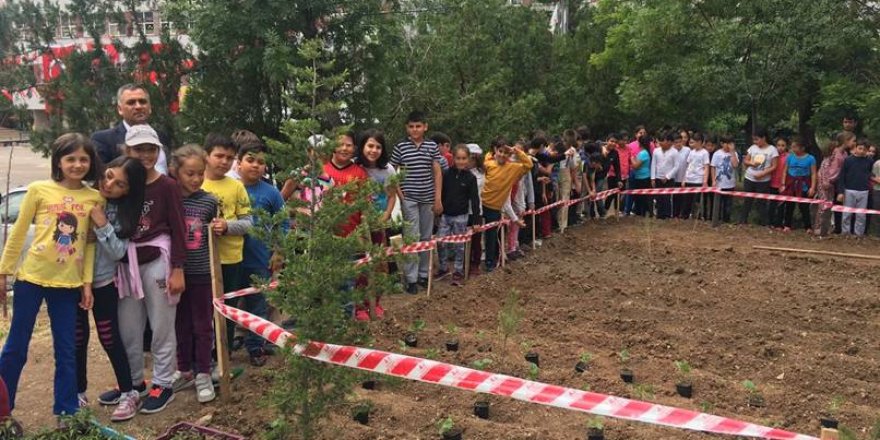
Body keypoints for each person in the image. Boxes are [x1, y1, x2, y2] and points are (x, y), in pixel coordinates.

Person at [0, 133, 102, 423]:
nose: (78, 164)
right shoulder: (38, 190)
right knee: (15, 348)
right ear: (58, 161)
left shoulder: (94, 198)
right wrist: (3, 272)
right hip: (30, 280)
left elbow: (90, 244)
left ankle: (67, 411)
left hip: (68, 286)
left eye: (84, 159)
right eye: (71, 158)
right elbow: (19, 232)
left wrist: (86, 284)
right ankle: (2, 411)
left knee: (67, 350)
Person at [103, 125, 187, 414]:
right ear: (127, 151)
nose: (146, 154)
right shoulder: (121, 184)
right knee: (128, 327)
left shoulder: (166, 185)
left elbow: (178, 227)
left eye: (151, 148)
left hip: (157, 261)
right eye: (139, 149)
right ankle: (133, 382)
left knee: (162, 324)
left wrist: (178, 268)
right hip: (126, 265)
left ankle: (163, 383)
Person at [75, 156, 146, 421]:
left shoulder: (122, 211)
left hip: (103, 282)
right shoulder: (83, 196)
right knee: (77, 338)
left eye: (119, 184)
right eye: (109, 176)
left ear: (129, 191)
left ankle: (129, 392)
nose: (110, 185)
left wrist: (102, 224)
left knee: (109, 337)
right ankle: (78, 394)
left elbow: (118, 251)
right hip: (71, 281)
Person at [169, 145, 218, 404]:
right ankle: (184, 368)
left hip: (201, 273)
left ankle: (203, 372)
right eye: (190, 173)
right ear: (175, 172)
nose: (196, 179)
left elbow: (214, 232)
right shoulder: (170, 198)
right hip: (175, 273)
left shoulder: (209, 201)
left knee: (202, 324)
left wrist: (222, 226)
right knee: (180, 324)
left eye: (200, 173)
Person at [200, 133, 253, 355]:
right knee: (201, 310)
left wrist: (227, 226)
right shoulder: (194, 182)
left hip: (231, 258)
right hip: (199, 260)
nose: (224, 161)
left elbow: (249, 222)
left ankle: (224, 354)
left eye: (229, 157)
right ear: (206, 155)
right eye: (219, 156)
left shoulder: (237, 187)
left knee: (227, 309)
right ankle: (201, 356)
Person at [236, 142, 286, 362]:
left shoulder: (271, 193)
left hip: (260, 258)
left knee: (259, 304)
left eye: (261, 162)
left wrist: (278, 251)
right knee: (231, 304)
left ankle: (256, 347)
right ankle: (227, 345)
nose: (255, 165)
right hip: (231, 259)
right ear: (238, 163)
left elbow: (283, 224)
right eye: (250, 160)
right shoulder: (229, 188)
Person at [389, 111, 445, 294]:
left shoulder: (431, 146)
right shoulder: (401, 147)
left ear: (425, 126)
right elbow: (392, 171)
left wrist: (438, 198)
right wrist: (401, 196)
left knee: (426, 237)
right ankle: (411, 278)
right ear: (407, 127)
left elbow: (437, 172)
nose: (415, 129)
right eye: (411, 126)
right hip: (410, 199)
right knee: (411, 237)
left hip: (428, 198)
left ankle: (423, 274)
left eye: (418, 126)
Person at [91, 84, 170, 174]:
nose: (138, 107)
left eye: (142, 102)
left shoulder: (161, 136)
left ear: (150, 107)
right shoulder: (103, 139)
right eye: (131, 102)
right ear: (120, 109)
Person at [481, 138, 533, 272]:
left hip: (496, 207)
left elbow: (528, 164)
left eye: (506, 153)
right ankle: (481, 260)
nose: (502, 155)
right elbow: (484, 161)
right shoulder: (488, 164)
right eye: (500, 151)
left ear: (509, 155)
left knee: (492, 236)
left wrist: (516, 151)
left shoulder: (513, 168)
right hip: (481, 204)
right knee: (481, 235)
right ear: (495, 151)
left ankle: (490, 262)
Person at [436, 145, 480, 286]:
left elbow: (475, 199)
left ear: (468, 159)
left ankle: (458, 272)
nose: (461, 161)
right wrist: (438, 208)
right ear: (453, 158)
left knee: (459, 246)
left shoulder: (471, 178)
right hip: (445, 215)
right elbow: (440, 193)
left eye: (464, 158)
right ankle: (443, 267)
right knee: (440, 242)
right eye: (458, 158)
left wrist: (476, 219)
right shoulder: (446, 174)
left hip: (461, 216)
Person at [815, 132, 854, 235]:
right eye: (852, 141)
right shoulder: (835, 152)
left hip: (833, 183)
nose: (854, 143)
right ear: (846, 141)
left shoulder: (845, 154)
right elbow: (826, 166)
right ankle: (818, 228)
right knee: (823, 205)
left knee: (829, 205)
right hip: (825, 181)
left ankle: (825, 229)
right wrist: (825, 180)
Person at [739, 127, 778, 226]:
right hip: (749, 178)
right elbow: (746, 161)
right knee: (747, 200)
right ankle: (743, 221)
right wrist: (752, 163)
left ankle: (764, 223)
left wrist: (763, 173)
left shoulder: (772, 150)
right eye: (754, 139)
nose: (755, 142)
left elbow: (774, 166)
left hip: (763, 181)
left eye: (757, 139)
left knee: (762, 202)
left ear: (764, 138)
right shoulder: (752, 148)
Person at [779, 138, 816, 232]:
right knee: (789, 205)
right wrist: (783, 184)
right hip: (791, 184)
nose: (793, 149)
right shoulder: (790, 157)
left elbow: (813, 173)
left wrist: (812, 187)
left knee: (804, 207)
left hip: (803, 185)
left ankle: (808, 227)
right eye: (792, 147)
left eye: (795, 147)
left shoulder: (810, 158)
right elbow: (785, 171)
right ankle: (787, 225)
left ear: (802, 148)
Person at [837, 142, 874, 236]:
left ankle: (859, 234)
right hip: (849, 189)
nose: (862, 151)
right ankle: (845, 233)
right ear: (856, 148)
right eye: (860, 148)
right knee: (847, 213)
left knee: (861, 214)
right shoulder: (848, 160)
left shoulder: (869, 161)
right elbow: (842, 176)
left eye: (864, 149)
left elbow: (869, 173)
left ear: (867, 151)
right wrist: (841, 192)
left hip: (863, 190)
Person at [711, 135, 740, 223]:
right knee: (718, 203)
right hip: (719, 183)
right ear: (722, 144)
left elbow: (735, 165)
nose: (728, 145)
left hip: (730, 183)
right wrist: (713, 180)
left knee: (728, 204)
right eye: (726, 143)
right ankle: (717, 219)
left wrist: (732, 152)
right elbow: (713, 167)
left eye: (730, 143)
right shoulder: (717, 153)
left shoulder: (734, 153)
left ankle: (726, 219)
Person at [680, 132, 710, 219]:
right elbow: (688, 166)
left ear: (700, 142)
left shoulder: (704, 153)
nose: (692, 144)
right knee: (687, 199)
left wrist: (705, 181)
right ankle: (684, 216)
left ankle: (696, 216)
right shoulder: (691, 152)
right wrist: (684, 179)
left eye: (694, 142)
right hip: (689, 179)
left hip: (698, 180)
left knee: (696, 200)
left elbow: (706, 167)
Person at [467, 143, 486, 275]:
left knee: (476, 240)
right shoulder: (462, 173)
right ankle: (465, 263)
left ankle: (475, 264)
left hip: (475, 211)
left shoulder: (479, 175)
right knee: (464, 240)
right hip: (463, 210)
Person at [651, 132, 678, 220]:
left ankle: (667, 215)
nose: (661, 143)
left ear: (669, 142)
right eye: (661, 141)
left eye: (664, 141)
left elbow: (676, 166)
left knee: (667, 197)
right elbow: (653, 165)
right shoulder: (656, 151)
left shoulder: (674, 152)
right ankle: (659, 214)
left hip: (669, 179)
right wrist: (653, 178)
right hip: (658, 178)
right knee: (658, 197)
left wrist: (668, 176)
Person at [769, 137, 789, 228]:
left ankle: (779, 224)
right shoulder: (772, 155)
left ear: (786, 146)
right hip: (772, 182)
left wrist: (784, 183)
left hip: (783, 184)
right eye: (778, 145)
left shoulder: (789, 157)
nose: (780, 147)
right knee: (772, 203)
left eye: (783, 145)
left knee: (781, 205)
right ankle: (770, 222)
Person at [630, 136, 652, 216]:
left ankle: (642, 213)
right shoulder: (645, 152)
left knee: (641, 197)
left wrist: (632, 158)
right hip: (641, 176)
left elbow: (636, 166)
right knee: (641, 196)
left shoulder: (643, 153)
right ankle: (641, 212)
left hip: (643, 177)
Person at [671, 133, 691, 219]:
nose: (678, 144)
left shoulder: (687, 150)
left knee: (684, 198)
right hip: (673, 179)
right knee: (675, 198)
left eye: (680, 142)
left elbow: (689, 165)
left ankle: (683, 215)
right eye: (676, 142)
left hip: (684, 178)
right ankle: (674, 214)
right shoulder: (671, 151)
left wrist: (685, 178)